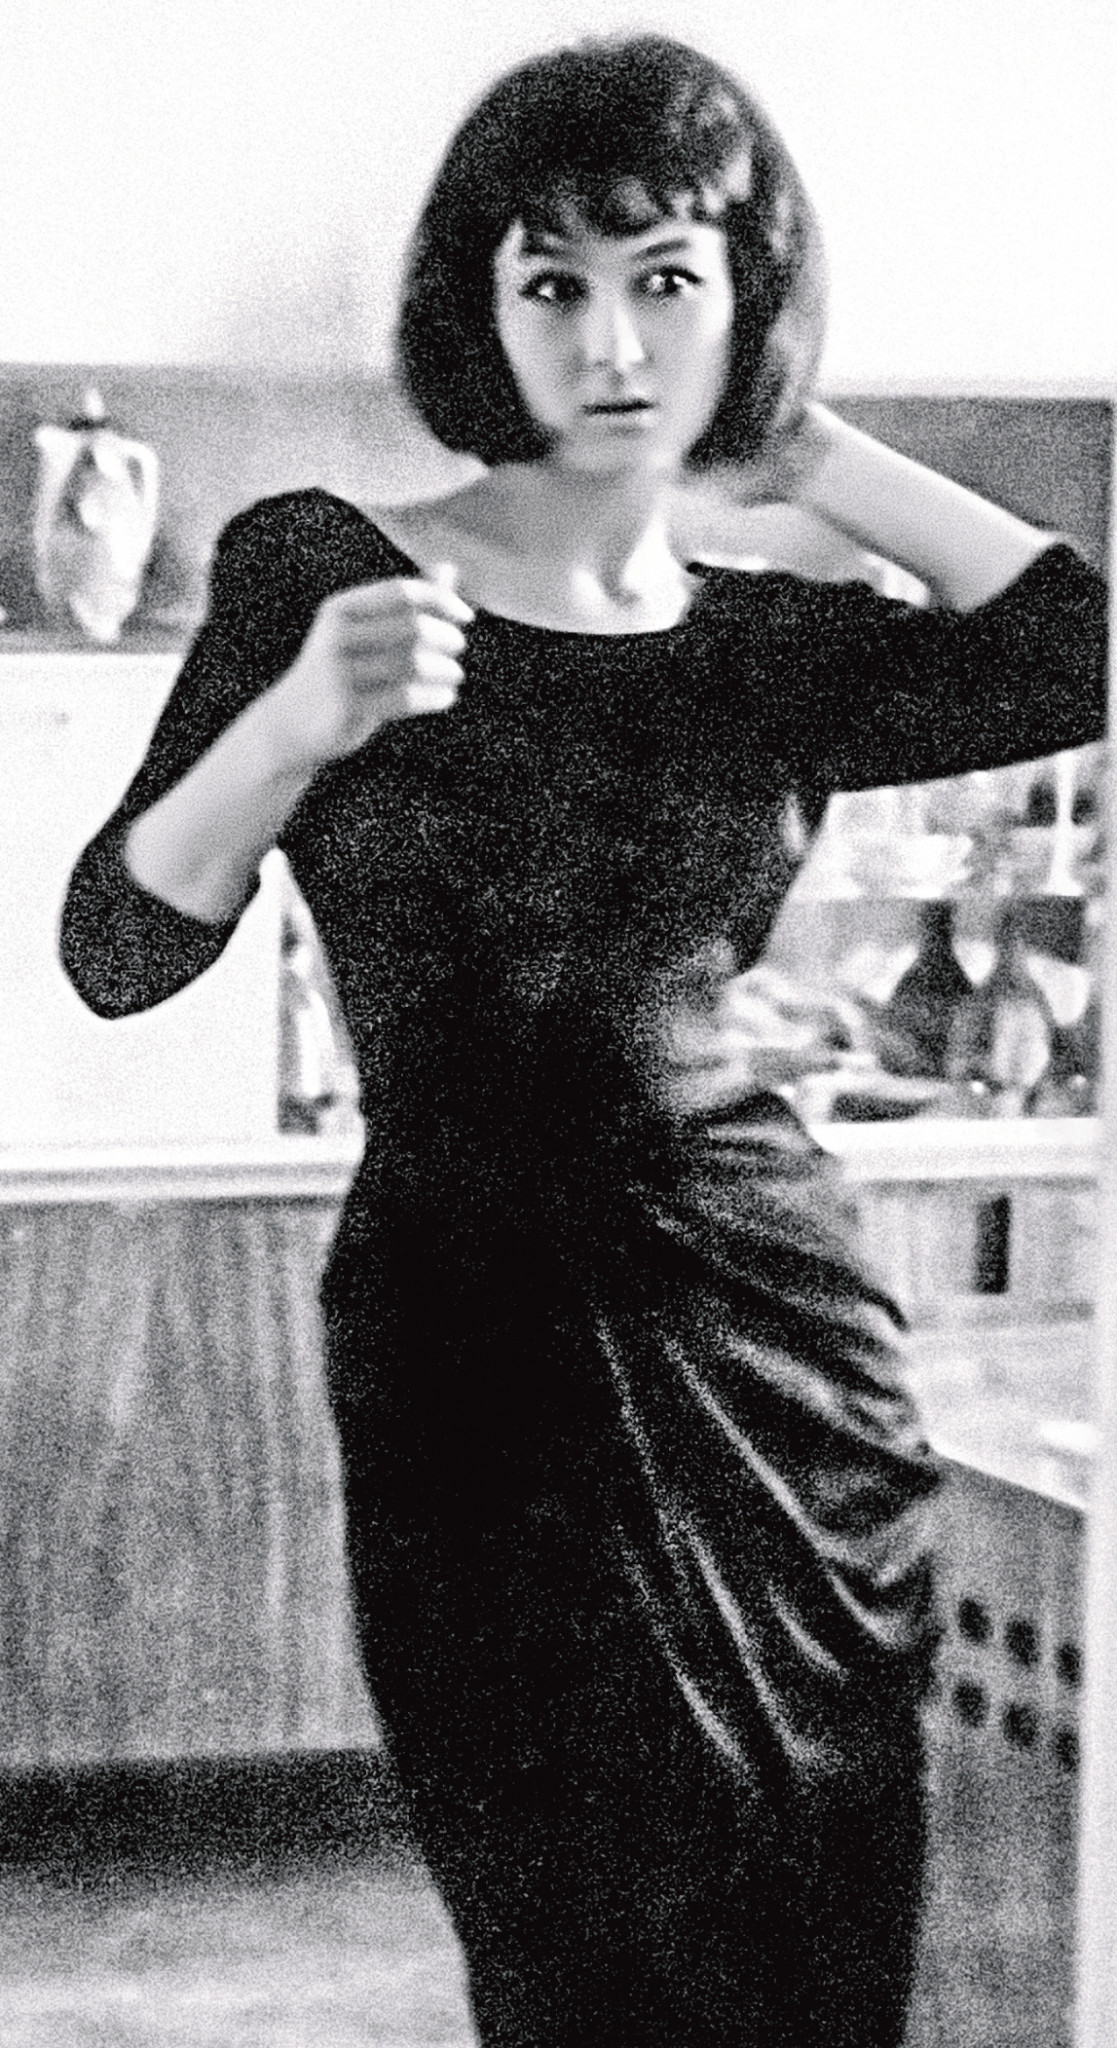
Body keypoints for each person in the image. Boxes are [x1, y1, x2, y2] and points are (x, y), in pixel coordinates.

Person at [60, 32, 1107, 2047]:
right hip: (472, 1356)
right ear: (481, 305)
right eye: (552, 282)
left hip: (775, 1359)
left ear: (744, 299)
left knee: (815, 1936)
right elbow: (115, 948)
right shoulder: (322, 572)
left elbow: (1080, 648)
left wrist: (811, 452)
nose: (611, 342)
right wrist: (291, 725)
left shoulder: (771, 643)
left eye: (667, 280)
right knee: (562, 1940)